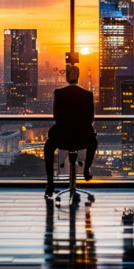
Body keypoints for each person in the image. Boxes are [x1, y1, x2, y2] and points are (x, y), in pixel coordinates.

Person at [43, 65, 98, 198]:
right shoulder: (88, 94)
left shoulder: (59, 93)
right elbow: (90, 119)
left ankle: (50, 183)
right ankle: (86, 169)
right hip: (82, 138)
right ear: (78, 76)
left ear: (66, 77)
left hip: (62, 137)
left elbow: (56, 117)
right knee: (93, 142)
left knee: (48, 147)